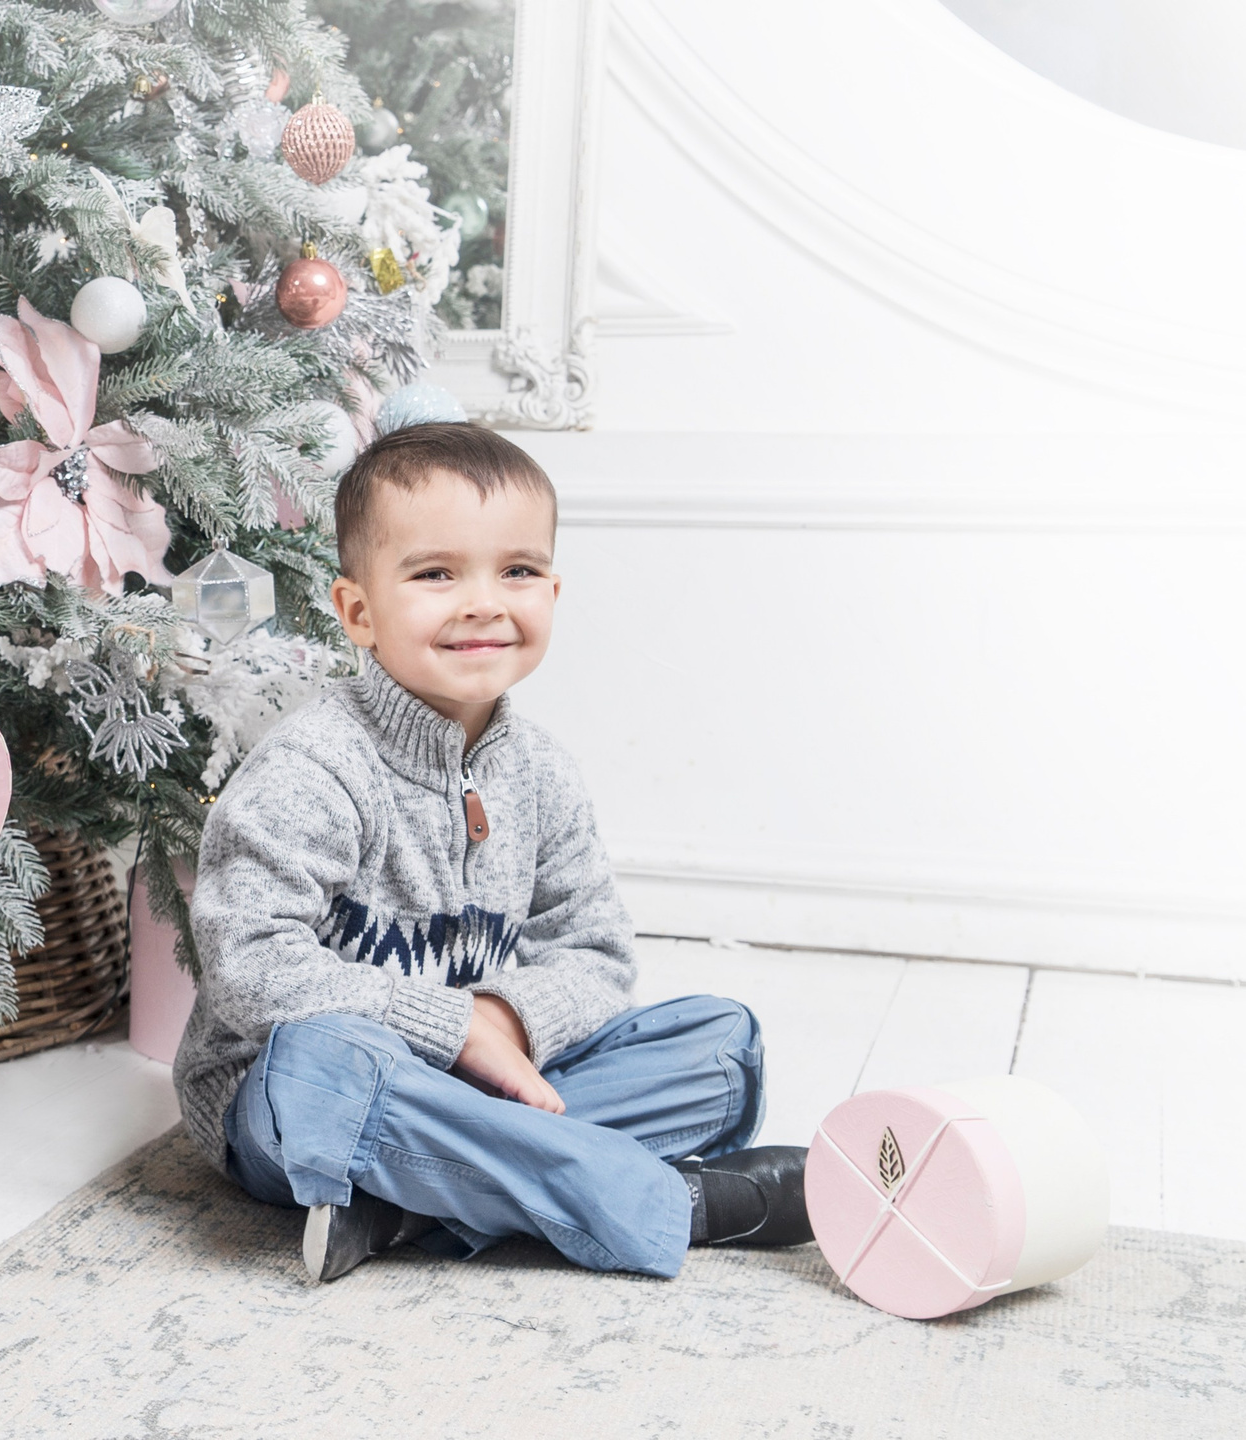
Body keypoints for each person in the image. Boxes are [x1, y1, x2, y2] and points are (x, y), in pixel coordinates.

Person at [173, 422, 810, 1283]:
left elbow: (595, 955)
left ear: (553, 589)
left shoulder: (541, 772)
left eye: (516, 571)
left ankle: (405, 1205)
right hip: (305, 1101)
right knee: (329, 1066)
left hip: (478, 1092)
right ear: (358, 611)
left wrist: (499, 1024)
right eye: (436, 574)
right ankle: (670, 1203)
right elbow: (249, 969)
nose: (483, 601)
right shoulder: (310, 768)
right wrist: (451, 1028)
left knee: (721, 1046)